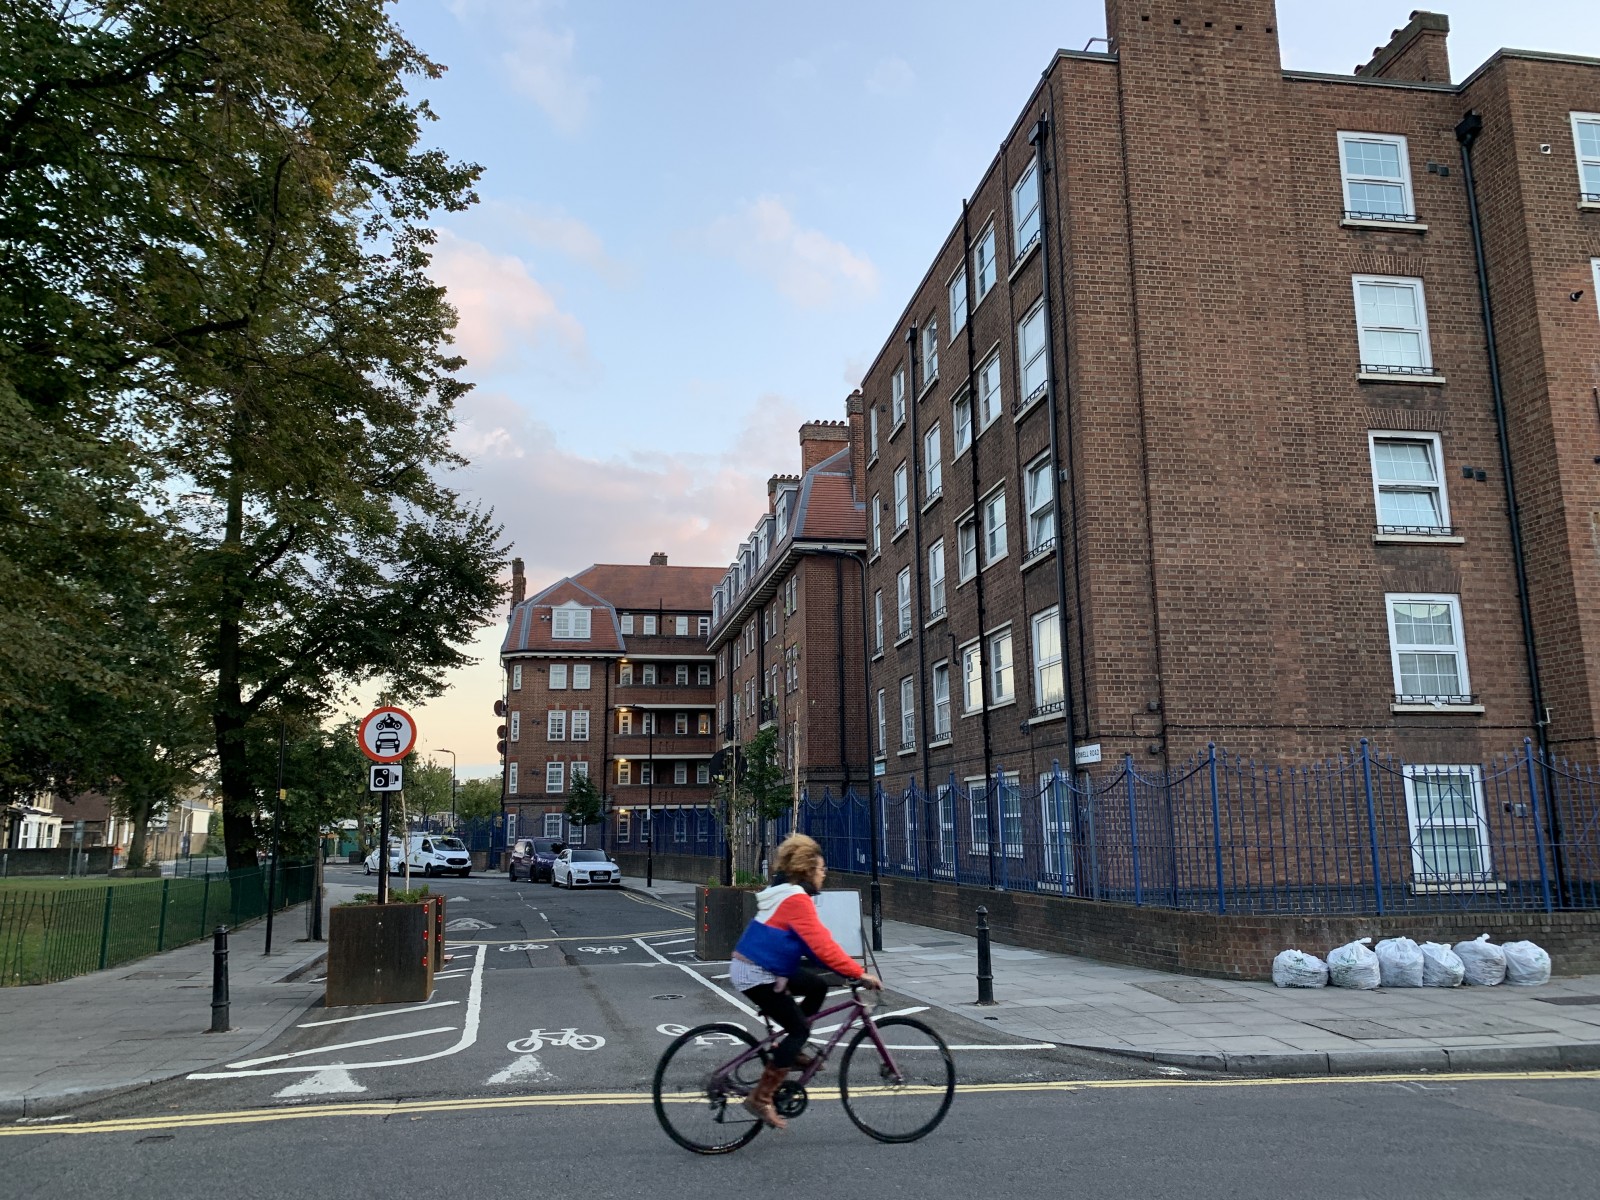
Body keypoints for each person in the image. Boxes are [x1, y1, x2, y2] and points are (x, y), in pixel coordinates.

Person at [730, 833, 881, 1130]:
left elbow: (812, 947)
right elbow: (822, 945)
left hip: (766, 966)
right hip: (757, 971)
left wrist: (845, 969)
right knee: (799, 1029)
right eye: (822, 869)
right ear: (808, 870)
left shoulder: (787, 893)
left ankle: (793, 1051)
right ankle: (761, 1097)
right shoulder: (796, 900)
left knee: (817, 986)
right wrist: (858, 973)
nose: (824, 874)